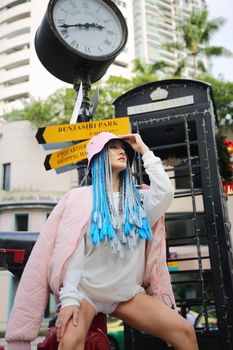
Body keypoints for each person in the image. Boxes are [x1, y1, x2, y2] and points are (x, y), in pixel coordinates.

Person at [5, 132, 199, 350]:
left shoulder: (141, 200)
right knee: (69, 343)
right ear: (97, 157)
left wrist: (143, 149)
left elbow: (165, 191)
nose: (121, 151)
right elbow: (73, 255)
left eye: (123, 148)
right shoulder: (80, 199)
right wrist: (69, 300)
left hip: (125, 293)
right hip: (87, 292)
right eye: (112, 147)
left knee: (184, 331)